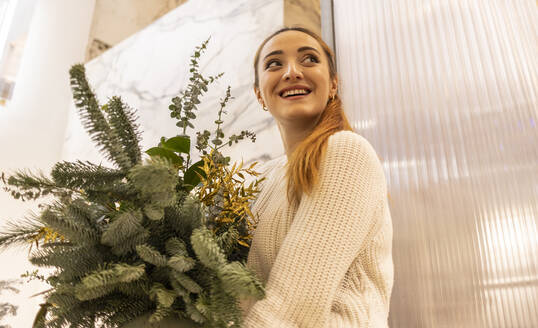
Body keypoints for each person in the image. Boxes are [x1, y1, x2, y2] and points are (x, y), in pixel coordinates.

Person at [240, 26, 394, 327]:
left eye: (309, 59)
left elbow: (293, 305)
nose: (292, 72)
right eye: (274, 63)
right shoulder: (263, 181)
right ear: (259, 94)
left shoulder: (346, 151)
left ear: (333, 84)